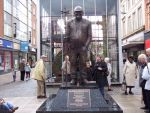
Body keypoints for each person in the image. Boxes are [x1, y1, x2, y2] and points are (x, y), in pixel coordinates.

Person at [64, 6, 92, 85]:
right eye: (76, 13)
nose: (78, 14)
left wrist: (85, 46)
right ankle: (73, 79)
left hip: (83, 47)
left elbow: (90, 36)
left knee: (83, 63)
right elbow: (67, 36)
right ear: (74, 13)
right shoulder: (69, 22)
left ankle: (84, 78)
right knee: (73, 63)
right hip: (73, 48)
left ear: (82, 13)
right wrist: (67, 47)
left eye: (79, 12)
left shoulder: (88, 22)